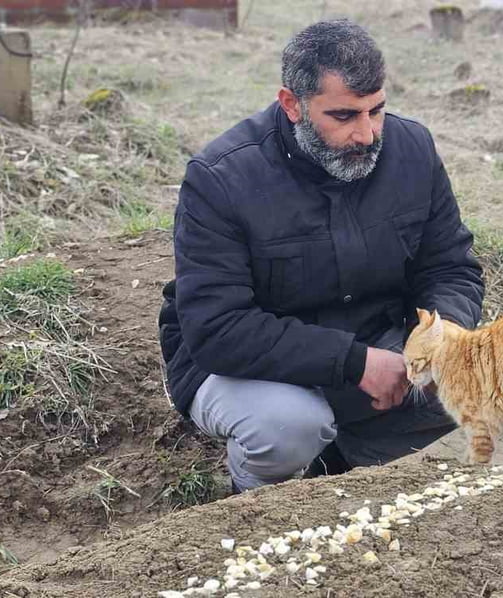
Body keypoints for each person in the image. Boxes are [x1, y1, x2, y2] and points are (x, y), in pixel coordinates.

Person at [156, 19, 484, 493]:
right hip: (249, 370)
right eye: (345, 116)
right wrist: (357, 364)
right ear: (293, 104)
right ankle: (253, 504)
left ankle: (340, 472)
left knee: (479, 382)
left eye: (377, 112)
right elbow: (217, 329)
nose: (367, 135)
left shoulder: (412, 150)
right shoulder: (221, 178)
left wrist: (438, 341)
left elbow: (450, 267)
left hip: (377, 342)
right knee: (288, 428)